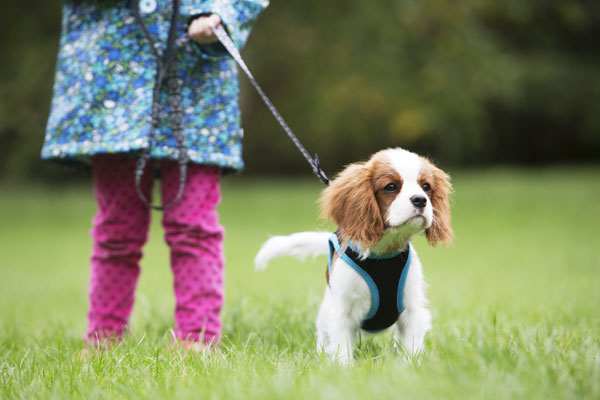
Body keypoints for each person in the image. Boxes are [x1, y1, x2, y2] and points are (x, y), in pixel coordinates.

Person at [41, 0, 268, 348]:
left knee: (194, 226)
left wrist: (221, 14)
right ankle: (103, 340)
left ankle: (198, 342)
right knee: (116, 229)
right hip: (114, 86)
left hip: (197, 90)